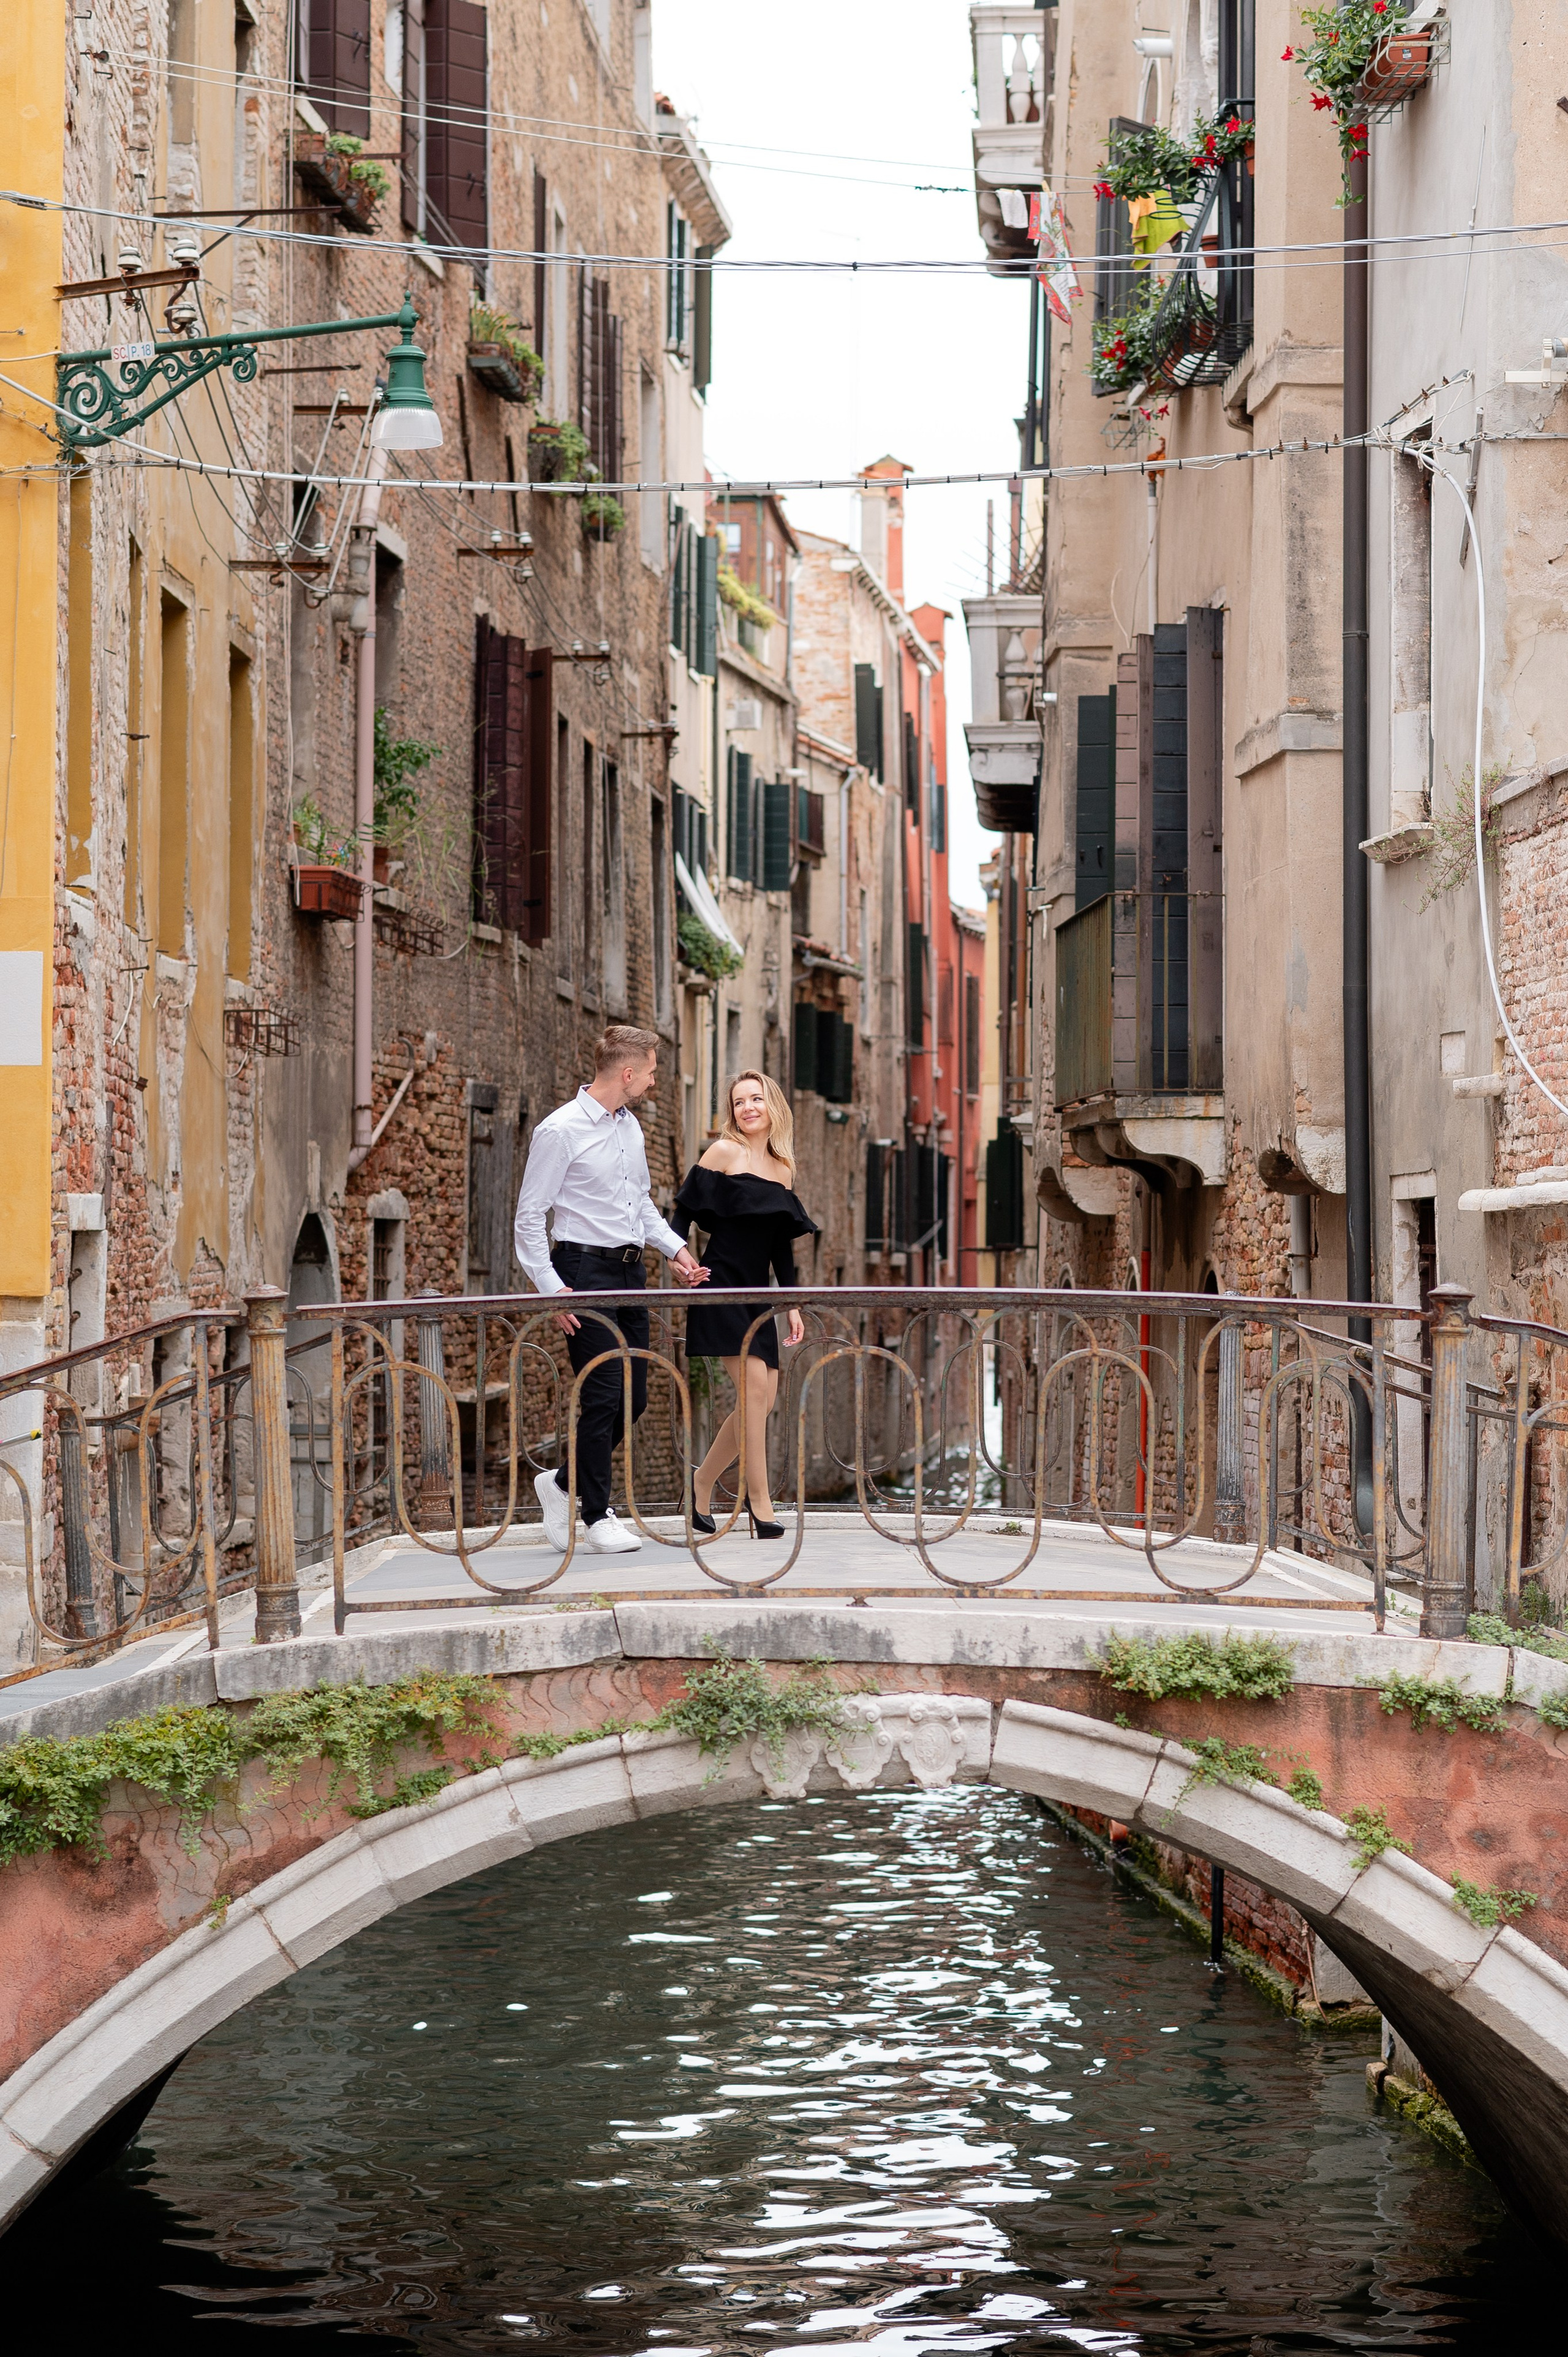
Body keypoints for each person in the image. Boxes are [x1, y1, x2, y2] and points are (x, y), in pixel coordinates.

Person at [514, 1027, 709, 1555]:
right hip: (581, 1272)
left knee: (636, 1396)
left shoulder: (630, 1129)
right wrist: (552, 1291)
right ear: (627, 1074)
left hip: (630, 1275)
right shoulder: (561, 1130)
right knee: (602, 1395)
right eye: (649, 1072)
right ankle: (596, 1516)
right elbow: (530, 1217)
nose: (652, 1082)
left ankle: (558, 1484)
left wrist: (675, 1250)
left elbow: (641, 1204)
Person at [674, 1070, 818, 1539]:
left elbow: (782, 1248)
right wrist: (682, 1261)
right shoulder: (723, 1153)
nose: (748, 1108)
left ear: (772, 1104)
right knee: (754, 1393)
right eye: (739, 1102)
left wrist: (791, 1304)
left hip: (758, 1292)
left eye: (756, 1099)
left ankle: (701, 1481)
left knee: (763, 1400)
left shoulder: (783, 1166)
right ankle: (759, 1504)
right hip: (720, 1284)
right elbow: (682, 1214)